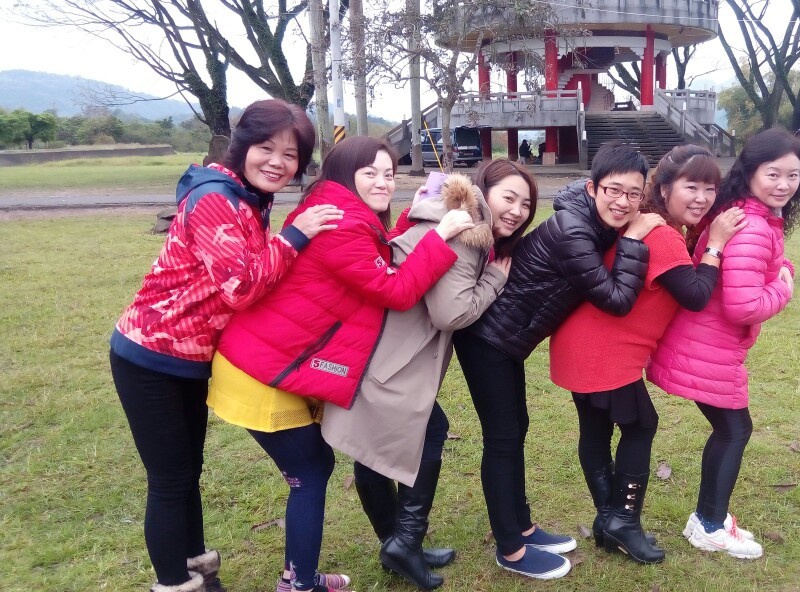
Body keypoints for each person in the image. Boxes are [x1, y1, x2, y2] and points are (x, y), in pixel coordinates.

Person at [207, 136, 475, 592]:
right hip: (264, 369)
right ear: (344, 175)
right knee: (311, 473)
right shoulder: (340, 224)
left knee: (373, 441)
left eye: (389, 174)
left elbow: (373, 258)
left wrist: (409, 221)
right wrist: (439, 235)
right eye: (370, 173)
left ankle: (397, 545)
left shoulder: (343, 213)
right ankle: (303, 581)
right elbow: (395, 290)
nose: (383, 182)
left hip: (282, 358)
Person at [109, 99, 343, 592]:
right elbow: (242, 286)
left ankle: (196, 567)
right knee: (169, 479)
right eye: (266, 148)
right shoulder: (217, 198)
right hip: (151, 355)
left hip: (191, 359)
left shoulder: (249, 198)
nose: (277, 162)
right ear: (243, 146)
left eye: (291, 154)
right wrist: (294, 237)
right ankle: (175, 583)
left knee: (187, 471)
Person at [451, 142, 665, 580]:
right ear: (593, 188)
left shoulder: (587, 221)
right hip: (487, 341)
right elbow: (617, 299)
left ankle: (523, 528)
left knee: (516, 430)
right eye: (614, 190)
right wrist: (634, 240)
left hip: (506, 341)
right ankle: (510, 549)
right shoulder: (574, 232)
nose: (623, 202)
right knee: (503, 439)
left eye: (634, 194)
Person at [322, 158, 536, 591]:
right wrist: (494, 281)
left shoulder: (448, 217)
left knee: (378, 444)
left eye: (526, 204)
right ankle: (403, 542)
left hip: (382, 349)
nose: (517, 211)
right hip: (389, 358)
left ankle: (399, 544)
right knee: (423, 432)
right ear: (483, 193)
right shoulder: (467, 236)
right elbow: (451, 313)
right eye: (509, 198)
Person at [549, 144, 746, 564]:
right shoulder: (662, 235)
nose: (702, 198)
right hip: (606, 350)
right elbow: (695, 295)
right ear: (665, 188)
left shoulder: (645, 223)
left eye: (710, 188)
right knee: (640, 425)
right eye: (691, 186)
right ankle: (622, 520)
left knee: (596, 429)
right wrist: (715, 244)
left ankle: (609, 520)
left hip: (580, 342)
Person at [646, 127, 800, 560]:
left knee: (732, 429)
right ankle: (710, 525)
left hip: (704, 343)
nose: (784, 184)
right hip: (707, 347)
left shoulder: (744, 214)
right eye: (773, 174)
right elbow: (743, 305)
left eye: (793, 175)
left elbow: (756, 265)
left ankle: (708, 519)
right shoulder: (752, 225)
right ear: (750, 172)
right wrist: (784, 288)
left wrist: (782, 267)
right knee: (734, 429)